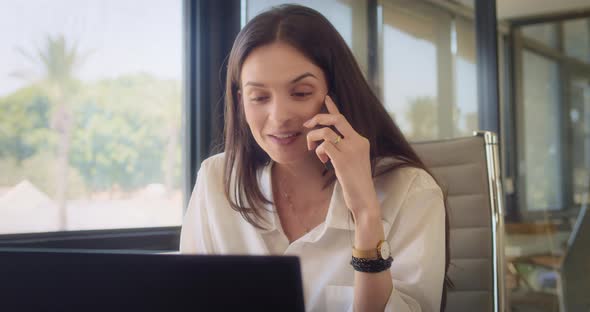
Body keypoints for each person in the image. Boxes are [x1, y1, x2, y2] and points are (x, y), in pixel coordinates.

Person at [180, 4, 449, 312]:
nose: (279, 116)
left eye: (301, 93)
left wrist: (366, 214)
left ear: (335, 93)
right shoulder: (217, 179)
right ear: (242, 102)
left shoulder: (412, 191)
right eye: (260, 97)